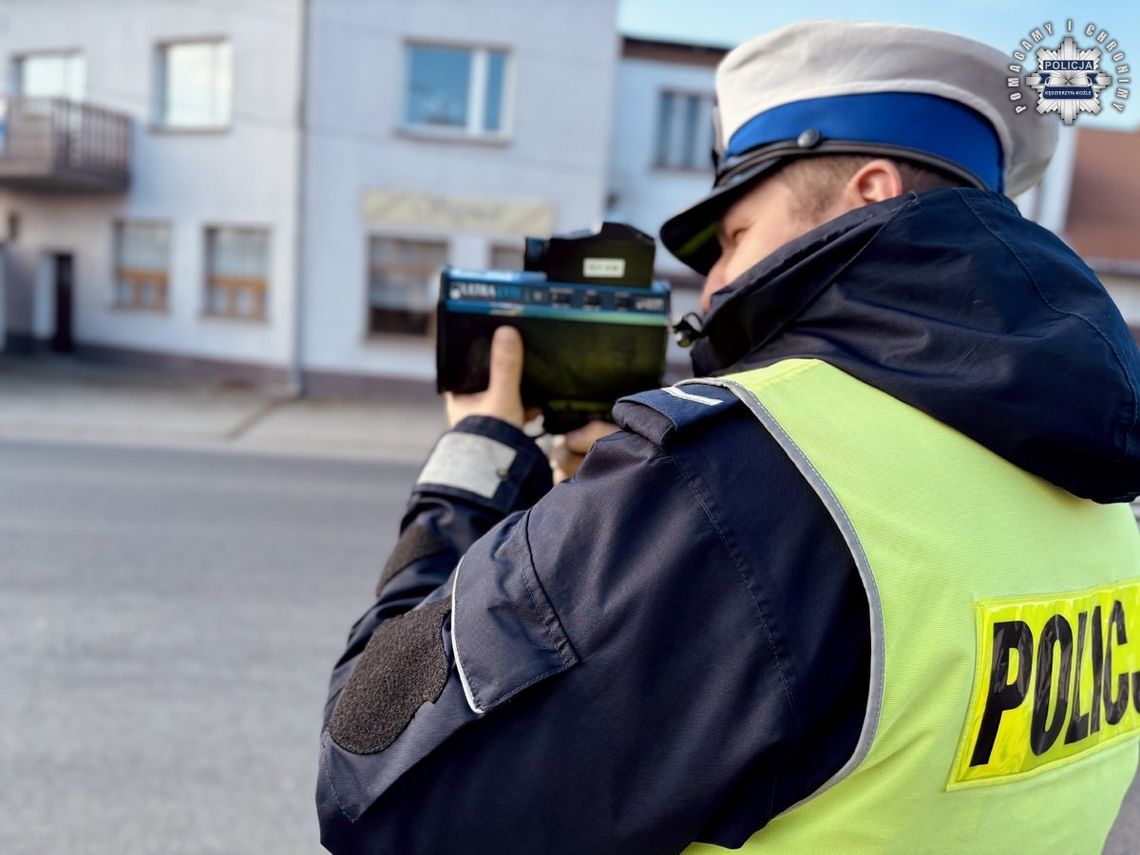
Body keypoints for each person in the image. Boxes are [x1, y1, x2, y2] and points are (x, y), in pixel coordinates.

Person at [317, 21, 1140, 854]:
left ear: (872, 191)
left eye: (736, 235)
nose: (709, 286)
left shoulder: (736, 477)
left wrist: (479, 458)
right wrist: (593, 512)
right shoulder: (1107, 500)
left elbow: (375, 793)